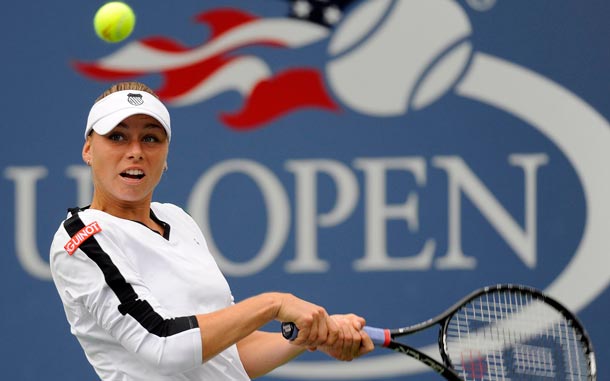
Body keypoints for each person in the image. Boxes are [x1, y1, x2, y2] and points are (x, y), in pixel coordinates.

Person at [49, 81, 373, 380]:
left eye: (150, 138)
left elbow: (229, 352)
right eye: (117, 136)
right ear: (88, 149)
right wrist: (274, 304)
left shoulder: (176, 219)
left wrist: (304, 337)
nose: (135, 150)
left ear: (165, 156)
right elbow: (163, 343)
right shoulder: (83, 239)